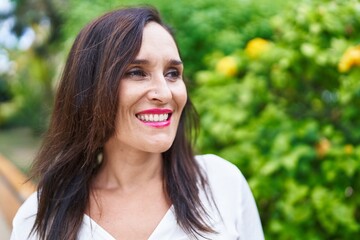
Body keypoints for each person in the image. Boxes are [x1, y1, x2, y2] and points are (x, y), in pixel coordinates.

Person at [10, 6, 264, 240]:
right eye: (136, 72)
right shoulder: (40, 219)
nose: (164, 93)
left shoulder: (222, 184)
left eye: (172, 73)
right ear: (90, 89)